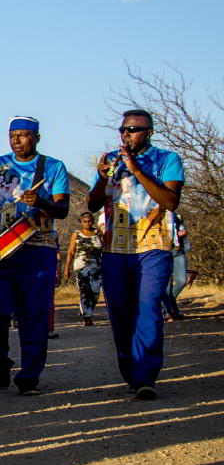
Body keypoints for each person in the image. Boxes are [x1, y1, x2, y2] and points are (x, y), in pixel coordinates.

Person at [0, 117, 70, 396]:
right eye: (13, 135)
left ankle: (29, 377)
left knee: (34, 315)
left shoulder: (53, 167)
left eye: (23, 135)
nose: (16, 140)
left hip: (39, 248)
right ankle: (0, 360)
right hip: (1, 250)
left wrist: (42, 202)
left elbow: (62, 209)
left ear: (37, 137)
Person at [87, 109, 185, 399]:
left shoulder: (167, 159)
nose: (125, 134)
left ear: (149, 132)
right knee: (119, 312)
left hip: (153, 244)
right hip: (115, 247)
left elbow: (170, 201)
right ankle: (130, 372)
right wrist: (103, 178)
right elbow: (92, 205)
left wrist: (138, 170)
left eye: (132, 129)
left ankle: (146, 377)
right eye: (122, 129)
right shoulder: (110, 161)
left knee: (147, 307)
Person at [62, 211, 103, 326]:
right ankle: (87, 316)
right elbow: (71, 251)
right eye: (85, 221)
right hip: (81, 266)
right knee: (85, 290)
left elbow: (104, 248)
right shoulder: (77, 234)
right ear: (81, 222)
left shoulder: (97, 233)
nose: (87, 223)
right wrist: (67, 268)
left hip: (96, 265)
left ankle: (87, 310)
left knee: (95, 292)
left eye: (89, 221)